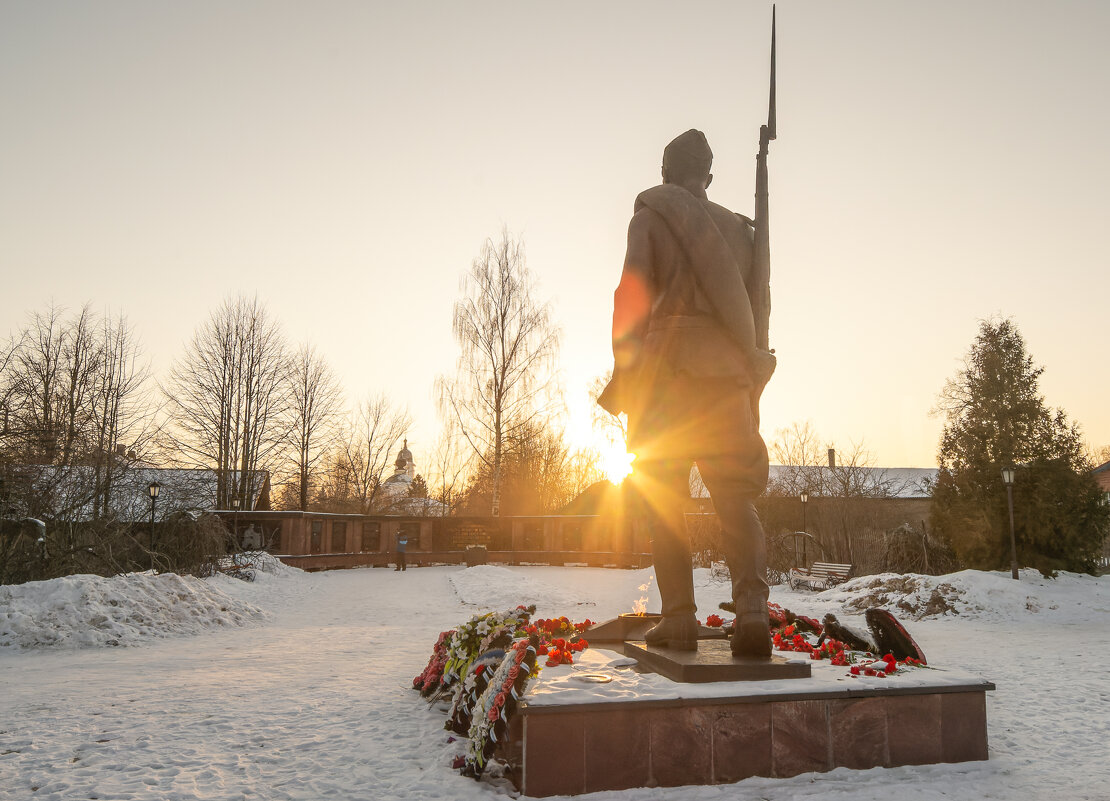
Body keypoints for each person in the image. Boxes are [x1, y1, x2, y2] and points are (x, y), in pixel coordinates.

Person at [599, 129, 777, 656]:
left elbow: (630, 300)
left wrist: (625, 374)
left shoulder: (650, 218)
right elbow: (759, 305)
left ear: (665, 172)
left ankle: (678, 617)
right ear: (709, 177)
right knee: (735, 496)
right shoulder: (740, 232)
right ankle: (752, 611)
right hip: (727, 379)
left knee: (664, 499)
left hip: (665, 379)